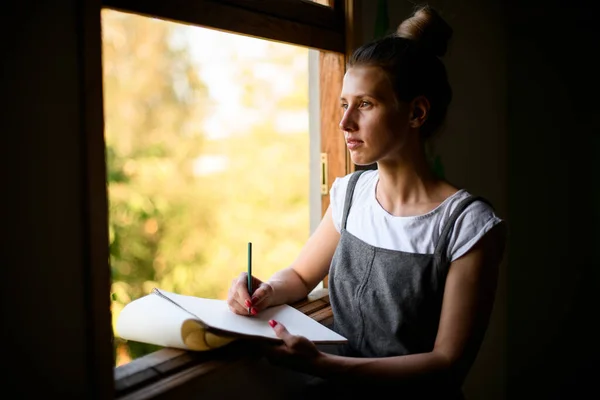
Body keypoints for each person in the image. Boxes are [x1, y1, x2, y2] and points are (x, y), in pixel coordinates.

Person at [227, 4, 507, 399]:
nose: (345, 123)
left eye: (366, 104)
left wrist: (324, 365)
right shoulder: (350, 194)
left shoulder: (468, 226)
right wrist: (265, 290)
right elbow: (302, 276)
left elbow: (446, 365)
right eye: (344, 104)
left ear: (417, 113)